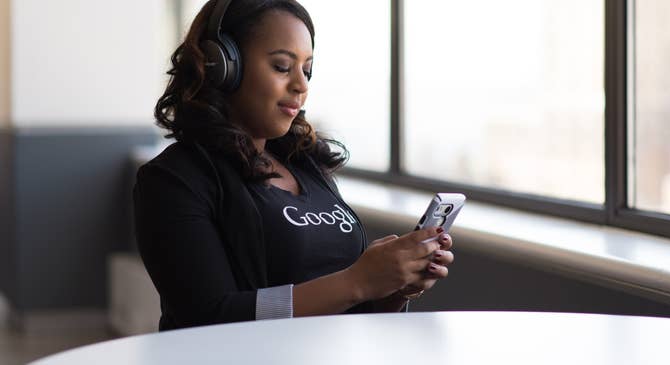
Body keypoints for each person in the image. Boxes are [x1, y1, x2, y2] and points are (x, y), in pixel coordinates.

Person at [133, 0, 455, 331]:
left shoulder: (306, 167)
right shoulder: (172, 180)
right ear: (223, 66)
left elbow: (347, 307)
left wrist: (393, 288)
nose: (301, 85)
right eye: (283, 67)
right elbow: (211, 317)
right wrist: (358, 281)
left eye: (307, 70)